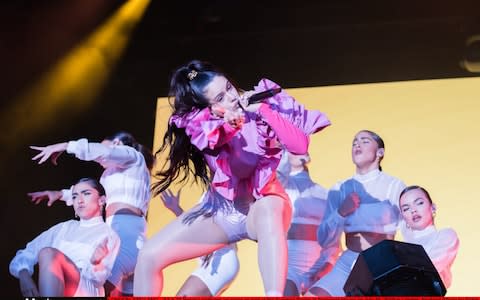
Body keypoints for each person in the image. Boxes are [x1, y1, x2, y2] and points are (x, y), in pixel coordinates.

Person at [133, 60, 331, 296]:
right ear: (206, 107)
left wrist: (263, 111)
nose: (230, 97)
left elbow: (299, 145)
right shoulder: (201, 124)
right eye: (219, 98)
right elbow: (216, 142)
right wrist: (231, 124)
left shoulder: (259, 102)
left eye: (228, 88)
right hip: (222, 214)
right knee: (148, 256)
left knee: (269, 208)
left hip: (263, 205)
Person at [29, 131, 154, 296]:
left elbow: (106, 153)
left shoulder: (134, 158)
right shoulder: (108, 175)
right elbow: (91, 195)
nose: (100, 150)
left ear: (117, 143)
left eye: (102, 144)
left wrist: (67, 146)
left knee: (84, 287)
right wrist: (60, 194)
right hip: (114, 237)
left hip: (127, 238)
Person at [306, 130, 406, 296]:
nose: (357, 144)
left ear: (380, 152)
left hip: (380, 265)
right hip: (347, 263)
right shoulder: (340, 188)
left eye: (365, 141)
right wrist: (340, 212)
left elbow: (408, 227)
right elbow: (324, 238)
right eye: (354, 142)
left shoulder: (394, 185)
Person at [10, 178, 120, 297]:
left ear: (101, 200)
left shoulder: (108, 234)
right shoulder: (65, 227)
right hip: (60, 288)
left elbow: (97, 279)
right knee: (47, 253)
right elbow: (29, 251)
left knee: (48, 253)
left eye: (86, 194)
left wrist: (95, 263)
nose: (79, 200)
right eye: (74, 196)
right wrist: (24, 275)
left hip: (87, 289)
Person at [277, 151, 340, 296]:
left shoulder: (325, 194)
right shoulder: (283, 187)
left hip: (318, 267)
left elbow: (333, 240)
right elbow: (279, 175)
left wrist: (327, 265)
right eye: (292, 151)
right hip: (289, 266)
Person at [160, 189, 239, 296]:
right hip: (211, 262)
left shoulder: (223, 189)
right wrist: (176, 209)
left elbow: (218, 226)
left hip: (220, 259)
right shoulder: (209, 191)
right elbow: (196, 227)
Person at [399, 185, 459, 289]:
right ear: (403, 217)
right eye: (406, 208)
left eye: (419, 203)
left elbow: (429, 266)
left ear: (433, 208)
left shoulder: (445, 236)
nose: (413, 210)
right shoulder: (400, 249)